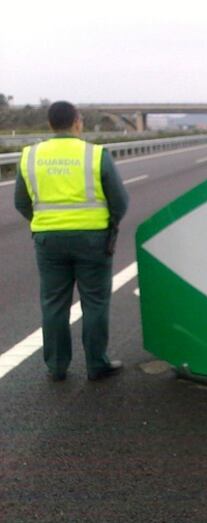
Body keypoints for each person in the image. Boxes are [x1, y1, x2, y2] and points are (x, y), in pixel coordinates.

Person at [14, 101, 129, 381]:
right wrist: (109, 225)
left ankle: (56, 365)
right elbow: (120, 201)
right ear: (78, 122)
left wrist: (44, 223)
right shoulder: (95, 155)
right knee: (95, 302)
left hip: (48, 241)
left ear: (51, 124)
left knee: (53, 303)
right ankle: (96, 364)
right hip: (93, 240)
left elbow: (21, 202)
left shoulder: (29, 156)